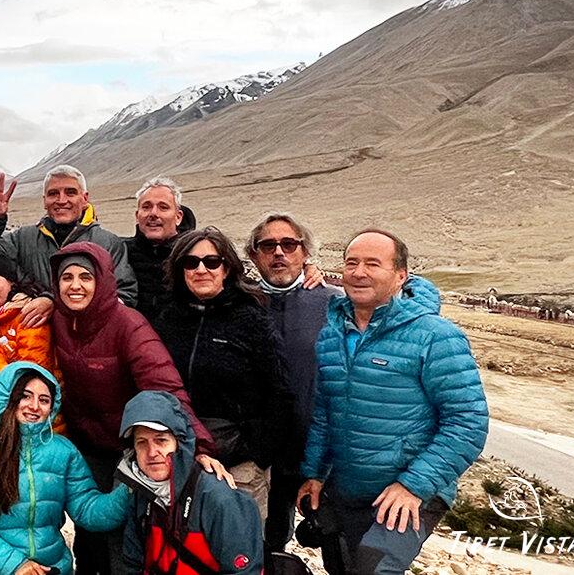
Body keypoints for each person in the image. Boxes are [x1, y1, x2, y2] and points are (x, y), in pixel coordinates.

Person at [298, 229, 489, 575]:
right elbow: (326, 412)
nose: (359, 272)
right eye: (351, 262)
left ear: (401, 275)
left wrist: (413, 485)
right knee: (341, 566)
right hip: (347, 487)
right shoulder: (331, 335)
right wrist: (314, 472)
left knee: (374, 567)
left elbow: (467, 421)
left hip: (408, 490)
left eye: (373, 263)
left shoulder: (436, 336)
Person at [48, 241, 223, 575]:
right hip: (85, 446)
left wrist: (197, 444)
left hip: (127, 449)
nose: (75, 285)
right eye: (66, 277)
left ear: (103, 282)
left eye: (85, 277)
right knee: (87, 528)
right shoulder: (58, 317)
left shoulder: (128, 325)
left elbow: (165, 388)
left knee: (121, 534)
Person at [0, 362, 132, 575]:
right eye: (25, 396)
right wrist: (14, 564)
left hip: (52, 569)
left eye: (44, 400)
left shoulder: (62, 451)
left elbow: (88, 510)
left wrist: (130, 488)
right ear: (8, 398)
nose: (34, 406)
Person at [155, 227, 294, 522]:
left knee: (239, 553)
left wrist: (256, 453)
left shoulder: (251, 318)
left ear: (227, 268)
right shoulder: (168, 319)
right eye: (191, 263)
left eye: (211, 262)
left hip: (239, 464)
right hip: (179, 458)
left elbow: (279, 391)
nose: (201, 269)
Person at [244, 213, 342, 551]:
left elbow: (394, 297)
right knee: (266, 539)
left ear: (305, 253)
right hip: (262, 449)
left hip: (321, 446)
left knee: (337, 543)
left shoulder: (333, 302)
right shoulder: (242, 301)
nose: (279, 253)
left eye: (289, 244)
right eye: (268, 245)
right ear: (254, 255)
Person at [118, 391, 263, 575]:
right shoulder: (140, 494)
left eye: (161, 440)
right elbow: (133, 564)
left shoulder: (220, 500)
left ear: (179, 443)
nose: (152, 452)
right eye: (142, 443)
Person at [0, 164, 137, 307]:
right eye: (53, 193)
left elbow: (125, 294)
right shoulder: (23, 238)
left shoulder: (108, 243)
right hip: (36, 328)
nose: (61, 200)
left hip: (85, 329)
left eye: (70, 192)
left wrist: (55, 303)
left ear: (84, 198)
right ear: (44, 200)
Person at [0, 249, 65, 434]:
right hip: (24, 420)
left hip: (47, 426)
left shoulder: (28, 314)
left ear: (11, 281)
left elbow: (25, 378)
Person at [124, 177, 196, 322]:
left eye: (163, 207)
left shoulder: (195, 254)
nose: (153, 214)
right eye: (146, 207)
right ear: (137, 216)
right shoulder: (121, 252)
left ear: (178, 217)